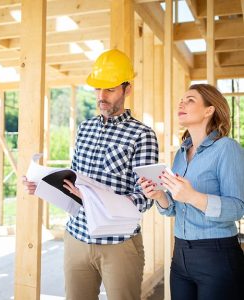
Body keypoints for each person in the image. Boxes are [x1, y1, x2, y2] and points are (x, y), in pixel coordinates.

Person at [23, 49, 159, 300]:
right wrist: (42, 185)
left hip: (119, 244)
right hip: (76, 236)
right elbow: (73, 183)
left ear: (127, 89)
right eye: (97, 89)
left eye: (109, 89)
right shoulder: (84, 129)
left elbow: (145, 197)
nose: (101, 96)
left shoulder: (142, 134)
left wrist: (100, 200)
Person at [139, 83, 244, 300]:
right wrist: (159, 195)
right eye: (181, 99)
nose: (182, 103)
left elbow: (237, 208)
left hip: (217, 256)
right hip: (180, 257)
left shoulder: (226, 148)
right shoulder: (181, 153)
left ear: (209, 110)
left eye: (190, 100)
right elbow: (173, 209)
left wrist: (193, 197)